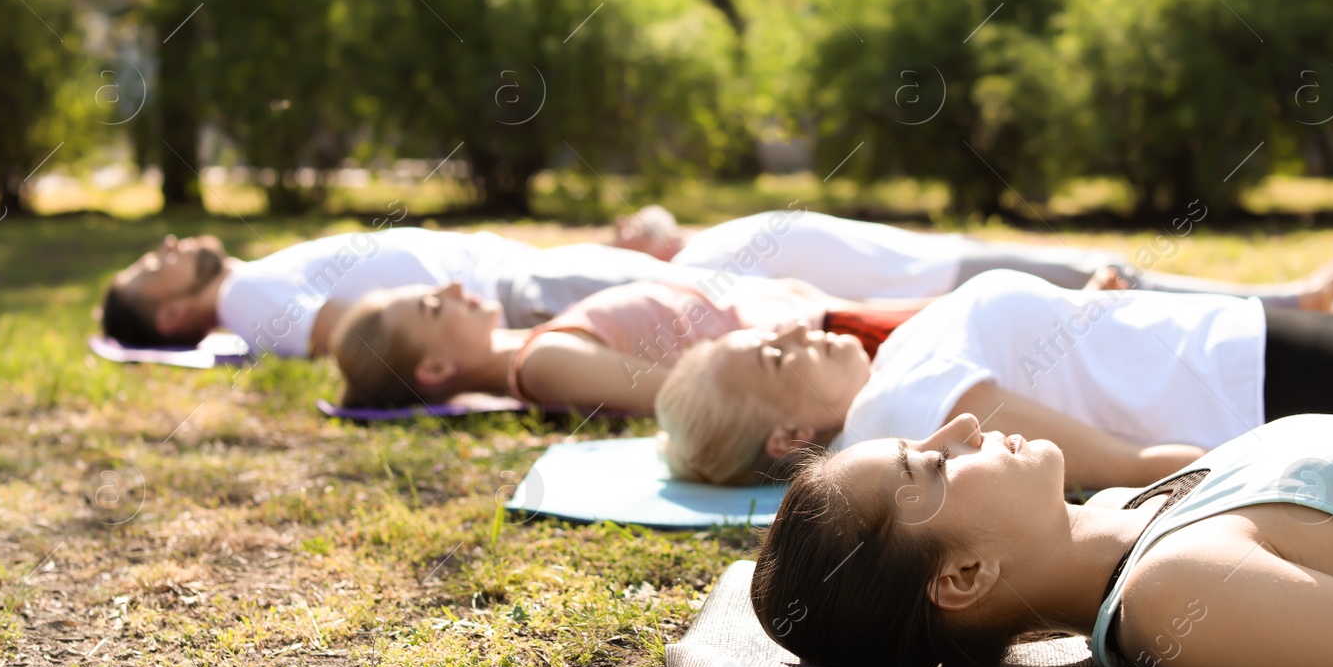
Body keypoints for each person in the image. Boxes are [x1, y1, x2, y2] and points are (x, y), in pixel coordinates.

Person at [750, 413, 1333, 667]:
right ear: (962, 576)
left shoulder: (1127, 505)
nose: (965, 424)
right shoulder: (1182, 597)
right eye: (935, 465)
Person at [655, 268, 1333, 487]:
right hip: (1254, 382)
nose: (799, 333)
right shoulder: (889, 412)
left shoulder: (892, 375)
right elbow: (1069, 445)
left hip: (1248, 348)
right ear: (790, 435)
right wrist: (1146, 468)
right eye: (774, 357)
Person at [329, 275, 921, 414]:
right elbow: (692, 393)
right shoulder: (547, 362)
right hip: (834, 341)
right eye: (435, 305)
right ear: (435, 365)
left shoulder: (524, 346)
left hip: (819, 321)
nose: (454, 287)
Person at [98, 229, 698, 359]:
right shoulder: (245, 296)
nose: (169, 244)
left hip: (521, 279)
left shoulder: (249, 285)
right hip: (517, 295)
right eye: (156, 264)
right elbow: (349, 338)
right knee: (710, 292)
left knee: (701, 280)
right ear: (174, 312)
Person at [613, 205, 1333, 306]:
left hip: (945, 255)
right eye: (633, 224)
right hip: (944, 283)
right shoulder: (687, 271)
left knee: (1109, 276)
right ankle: (1291, 299)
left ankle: (1292, 299)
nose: (652, 219)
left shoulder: (708, 236)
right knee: (1110, 284)